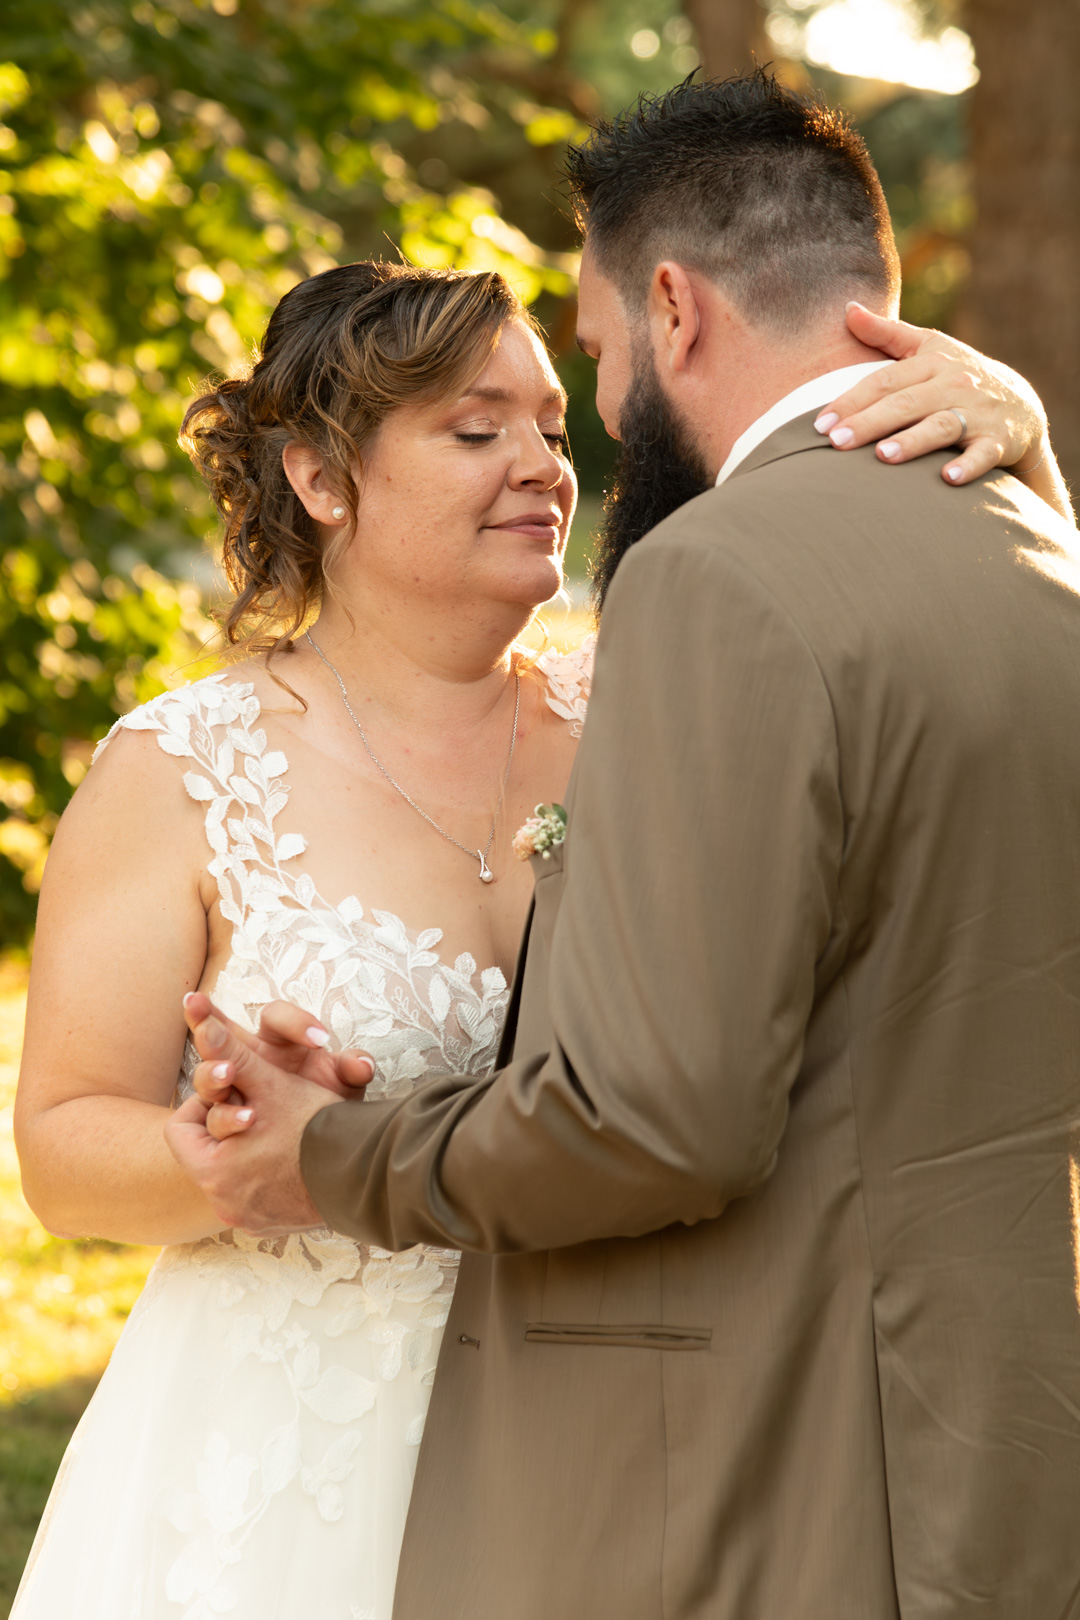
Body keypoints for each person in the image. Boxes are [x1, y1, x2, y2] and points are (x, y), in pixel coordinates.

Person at [12, 165, 1062, 1620]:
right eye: (475, 429)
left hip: (607, 1451)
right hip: (288, 1450)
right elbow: (60, 1151)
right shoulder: (183, 765)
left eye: (555, 426)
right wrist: (238, 1154)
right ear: (320, 481)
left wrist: (1021, 453)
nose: (546, 465)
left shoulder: (642, 697)